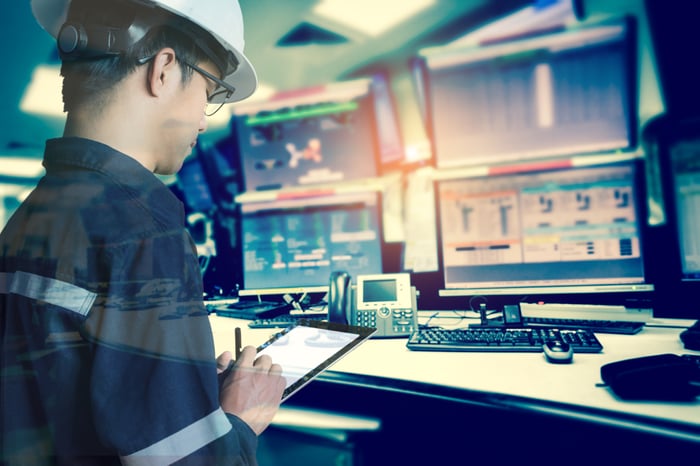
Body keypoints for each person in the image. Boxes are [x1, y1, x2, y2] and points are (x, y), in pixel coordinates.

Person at [0, 0, 286, 464]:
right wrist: (238, 420)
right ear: (165, 70)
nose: (201, 120)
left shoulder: (30, 217)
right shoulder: (144, 232)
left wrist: (184, 395)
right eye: (209, 93)